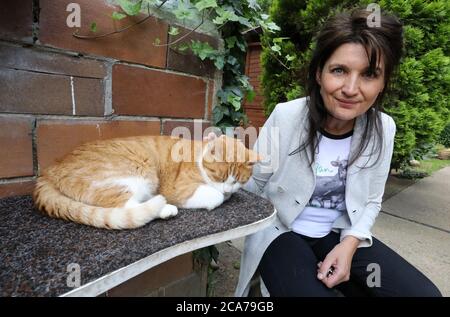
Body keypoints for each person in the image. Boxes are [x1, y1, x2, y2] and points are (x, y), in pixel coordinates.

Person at [235, 8, 442, 297]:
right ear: (319, 73)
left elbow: (371, 201)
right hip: (279, 231)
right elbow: (253, 185)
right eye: (339, 70)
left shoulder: (384, 128)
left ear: (383, 84)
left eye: (369, 74)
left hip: (337, 234)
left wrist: (350, 243)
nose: (351, 89)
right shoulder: (287, 116)